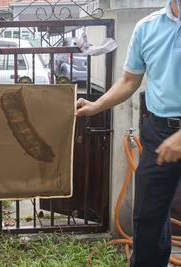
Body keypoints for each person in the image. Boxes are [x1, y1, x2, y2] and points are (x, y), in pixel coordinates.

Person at [76, 0, 181, 266]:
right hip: (159, 131)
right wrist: (96, 105)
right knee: (148, 216)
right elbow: (129, 80)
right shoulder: (147, 28)